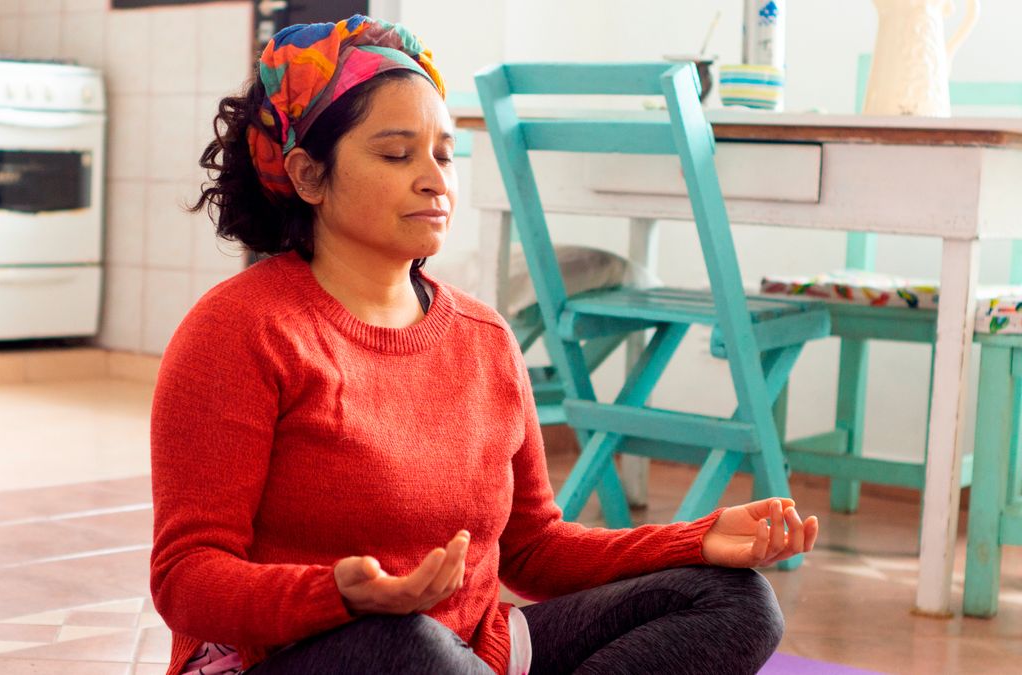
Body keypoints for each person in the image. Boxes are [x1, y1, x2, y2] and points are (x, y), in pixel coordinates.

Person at [149, 14, 819, 675]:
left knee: (737, 600)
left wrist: (696, 539)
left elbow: (535, 547)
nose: (434, 178)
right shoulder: (238, 331)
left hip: (472, 653)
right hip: (310, 656)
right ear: (308, 175)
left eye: (444, 153)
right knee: (403, 643)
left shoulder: (485, 339)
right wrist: (339, 597)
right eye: (395, 153)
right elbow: (185, 576)